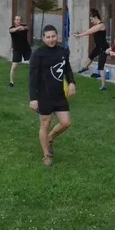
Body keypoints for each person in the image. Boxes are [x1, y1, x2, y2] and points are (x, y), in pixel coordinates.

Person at [28, 25, 76, 167]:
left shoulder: (62, 51)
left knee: (66, 122)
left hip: (59, 95)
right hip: (44, 96)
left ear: (57, 36)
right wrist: (33, 98)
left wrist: (72, 82)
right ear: (43, 38)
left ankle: (50, 138)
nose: (51, 39)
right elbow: (32, 77)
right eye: (48, 37)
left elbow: (67, 69)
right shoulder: (38, 54)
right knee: (45, 123)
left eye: (53, 36)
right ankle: (46, 155)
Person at [75, 8, 109, 91]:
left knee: (100, 67)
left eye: (91, 19)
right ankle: (85, 67)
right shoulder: (96, 26)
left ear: (95, 17)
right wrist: (81, 33)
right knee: (91, 56)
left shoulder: (101, 25)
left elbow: (90, 32)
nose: (91, 21)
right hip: (98, 47)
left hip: (104, 49)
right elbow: (89, 30)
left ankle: (104, 85)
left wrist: (80, 35)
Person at [8, 15, 31, 88]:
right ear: (14, 21)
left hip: (26, 49)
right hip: (17, 50)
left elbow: (28, 27)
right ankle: (11, 82)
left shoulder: (24, 26)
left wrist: (23, 27)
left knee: (33, 64)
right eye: (17, 20)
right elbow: (10, 30)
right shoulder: (12, 28)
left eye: (19, 20)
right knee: (14, 67)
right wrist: (18, 28)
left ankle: (36, 80)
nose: (18, 21)